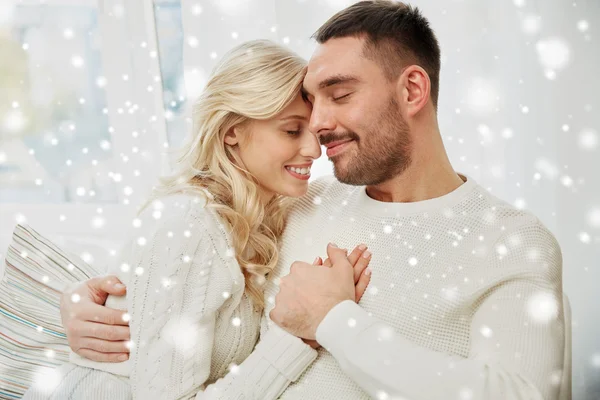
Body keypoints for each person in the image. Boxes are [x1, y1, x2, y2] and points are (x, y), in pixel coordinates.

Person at [60, 1, 567, 399]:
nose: (319, 128)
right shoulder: (300, 203)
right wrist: (99, 304)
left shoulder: (508, 240)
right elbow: (185, 271)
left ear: (412, 90)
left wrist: (334, 321)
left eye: (339, 95)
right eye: (308, 106)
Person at [22, 39, 372, 400]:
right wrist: (298, 338)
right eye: (291, 130)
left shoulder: (257, 219)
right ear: (231, 130)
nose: (314, 150)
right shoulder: (189, 225)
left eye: (314, 132)